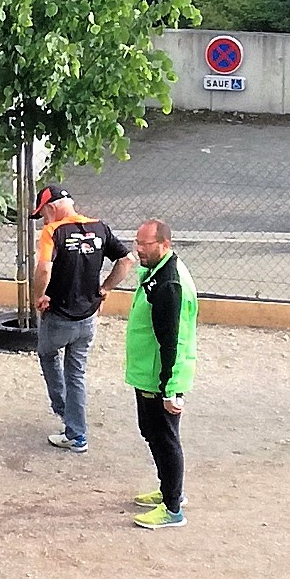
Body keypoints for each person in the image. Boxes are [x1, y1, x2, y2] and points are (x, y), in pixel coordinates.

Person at [30, 184, 132, 453]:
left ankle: (63, 411)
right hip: (88, 316)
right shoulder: (100, 227)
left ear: (52, 208)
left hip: (59, 315)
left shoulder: (53, 231)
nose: (44, 219)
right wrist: (106, 288)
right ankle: (77, 434)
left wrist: (39, 296)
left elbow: (43, 268)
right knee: (76, 373)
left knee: (47, 354)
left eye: (43, 213)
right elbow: (126, 259)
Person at [125, 219, 197, 530]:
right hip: (149, 374)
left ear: (164, 245)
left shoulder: (169, 284)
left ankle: (172, 509)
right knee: (152, 432)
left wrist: (171, 388)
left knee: (164, 438)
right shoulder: (157, 273)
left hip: (160, 377)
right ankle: (169, 490)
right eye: (137, 243)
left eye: (146, 245)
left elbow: (172, 339)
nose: (139, 250)